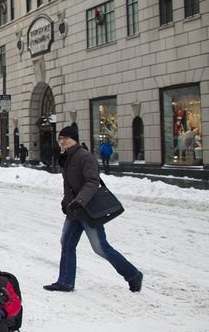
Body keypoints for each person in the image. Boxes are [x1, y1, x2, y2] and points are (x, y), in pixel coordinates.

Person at [44, 125, 143, 293]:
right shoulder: (67, 157)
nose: (62, 142)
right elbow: (69, 185)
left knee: (100, 248)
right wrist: (65, 201)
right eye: (60, 139)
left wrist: (79, 201)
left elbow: (92, 182)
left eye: (65, 138)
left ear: (74, 139)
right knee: (66, 244)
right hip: (74, 210)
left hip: (88, 210)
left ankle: (133, 274)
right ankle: (65, 282)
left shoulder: (85, 157)